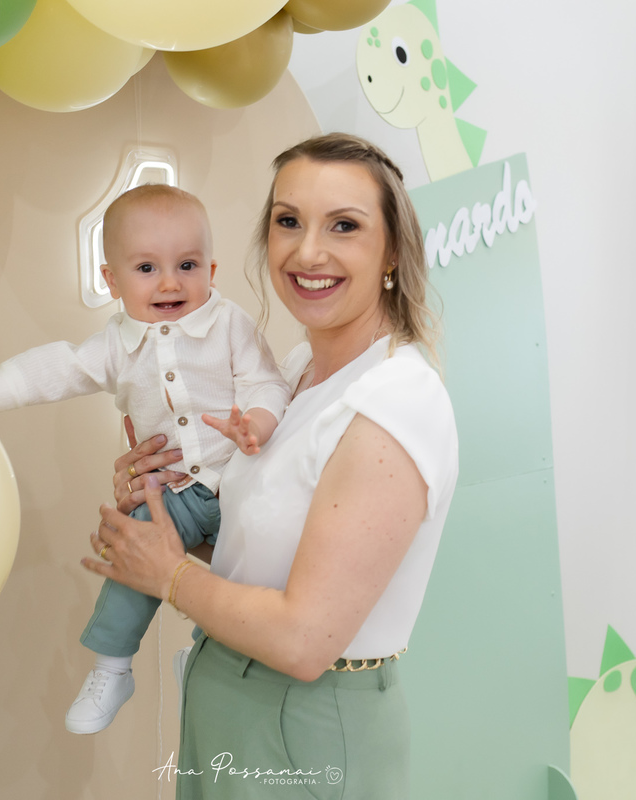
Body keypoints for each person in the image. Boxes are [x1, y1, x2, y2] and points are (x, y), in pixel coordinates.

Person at [83, 133, 459, 799]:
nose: (307, 251)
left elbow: (305, 639)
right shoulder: (292, 376)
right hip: (233, 698)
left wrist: (164, 574)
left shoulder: (394, 401)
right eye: (289, 221)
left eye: (343, 225)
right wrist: (165, 515)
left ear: (393, 249)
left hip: (304, 723)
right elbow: (265, 549)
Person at [0, 184, 291, 735]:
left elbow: (265, 381)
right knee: (133, 551)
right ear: (111, 280)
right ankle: (113, 667)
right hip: (171, 496)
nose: (171, 282)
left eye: (187, 264)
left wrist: (257, 423)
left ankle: (216, 663)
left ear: (212, 269)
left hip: (239, 483)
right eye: (147, 268)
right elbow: (54, 370)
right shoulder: (114, 345)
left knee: (259, 574)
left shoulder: (229, 325)